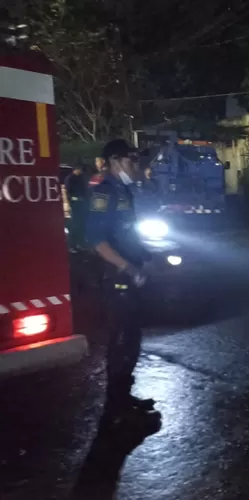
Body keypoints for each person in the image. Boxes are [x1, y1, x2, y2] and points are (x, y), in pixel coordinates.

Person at [85, 139, 157, 423]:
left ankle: (124, 396)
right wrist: (127, 266)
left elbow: (126, 232)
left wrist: (144, 255)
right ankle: (115, 404)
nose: (135, 166)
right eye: (131, 160)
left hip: (130, 271)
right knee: (122, 337)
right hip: (116, 275)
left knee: (132, 336)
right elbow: (97, 241)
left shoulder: (124, 190)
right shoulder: (103, 192)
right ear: (115, 161)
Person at [64, 164, 88, 251]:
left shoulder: (80, 178)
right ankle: (72, 245)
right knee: (74, 225)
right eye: (80, 170)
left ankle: (80, 243)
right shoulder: (70, 179)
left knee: (80, 225)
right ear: (76, 169)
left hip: (81, 205)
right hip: (74, 205)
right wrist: (77, 198)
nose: (81, 172)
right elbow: (68, 194)